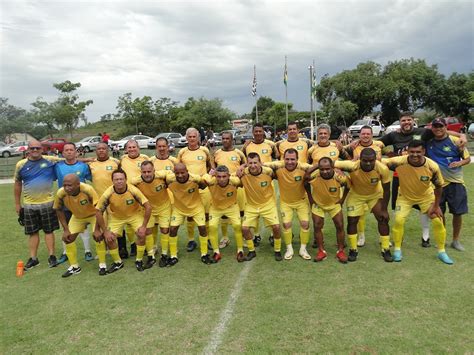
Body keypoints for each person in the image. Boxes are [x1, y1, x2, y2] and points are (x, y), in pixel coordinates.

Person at [380, 112, 467, 247]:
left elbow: (443, 130)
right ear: (399, 122)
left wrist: (462, 135)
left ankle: (425, 237)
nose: (406, 122)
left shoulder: (423, 132)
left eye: (409, 120)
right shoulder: (393, 135)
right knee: (399, 210)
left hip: (422, 175)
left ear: (413, 121)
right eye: (403, 120)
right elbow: (379, 143)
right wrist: (386, 152)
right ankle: (398, 238)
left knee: (424, 207)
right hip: (400, 177)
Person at [383, 140, 453, 264]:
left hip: (426, 197)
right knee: (398, 221)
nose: (415, 155)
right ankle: (397, 250)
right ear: (407, 152)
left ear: (424, 152)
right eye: (412, 152)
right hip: (404, 197)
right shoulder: (400, 161)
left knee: (437, 221)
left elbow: (439, 187)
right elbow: (377, 161)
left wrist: (436, 206)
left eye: (418, 152)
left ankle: (442, 252)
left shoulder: (432, 166)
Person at [335, 148, 392, 262]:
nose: (368, 163)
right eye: (364, 160)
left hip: (374, 195)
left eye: (371, 160)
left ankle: (385, 249)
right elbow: (328, 162)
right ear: (360, 159)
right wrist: (337, 169)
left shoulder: (382, 169)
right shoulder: (351, 165)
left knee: (383, 219)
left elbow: (386, 190)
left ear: (375, 159)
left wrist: (384, 209)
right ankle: (353, 249)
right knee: (352, 221)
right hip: (356, 195)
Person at [424, 118, 470, 251]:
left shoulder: (455, 141)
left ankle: (455, 240)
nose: (438, 129)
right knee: (439, 213)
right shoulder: (428, 142)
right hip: (437, 185)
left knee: (457, 213)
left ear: (445, 127)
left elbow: (466, 159)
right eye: (435, 126)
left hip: (456, 182)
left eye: (441, 126)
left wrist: (459, 163)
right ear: (432, 128)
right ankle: (442, 239)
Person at [14, 141, 61, 270]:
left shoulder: (50, 160)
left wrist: (91, 159)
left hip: (48, 203)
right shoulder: (21, 164)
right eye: (32, 148)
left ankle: (52, 256)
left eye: (37, 148)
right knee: (32, 232)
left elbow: (70, 158)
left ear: (42, 149)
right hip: (29, 205)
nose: (35, 150)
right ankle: (33, 258)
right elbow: (18, 184)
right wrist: (17, 203)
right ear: (28, 150)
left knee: (49, 231)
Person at [95, 169, 152, 272]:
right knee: (110, 238)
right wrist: (105, 231)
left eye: (121, 179)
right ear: (112, 181)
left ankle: (139, 260)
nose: (119, 181)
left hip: (134, 215)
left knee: (141, 233)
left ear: (126, 180)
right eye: (116, 179)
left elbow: (148, 206)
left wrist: (144, 226)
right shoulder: (108, 193)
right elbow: (98, 211)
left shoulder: (133, 190)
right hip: (116, 218)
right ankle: (118, 262)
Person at [265, 149, 312, 260]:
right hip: (286, 202)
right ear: (283, 159)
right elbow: (261, 164)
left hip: (301, 201)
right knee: (286, 225)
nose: (290, 162)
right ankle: (289, 248)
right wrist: (244, 166)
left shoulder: (304, 167)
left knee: (305, 224)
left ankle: (303, 249)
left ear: (297, 159)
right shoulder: (277, 166)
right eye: (287, 159)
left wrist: (337, 170)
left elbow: (319, 167)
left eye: (292, 159)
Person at [343, 125, 385, 247]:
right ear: (359, 135)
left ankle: (382, 237)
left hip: (375, 186)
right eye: (363, 134)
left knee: (381, 214)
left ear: (372, 135)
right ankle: (361, 236)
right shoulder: (353, 146)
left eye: (368, 134)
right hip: (358, 186)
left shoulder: (379, 145)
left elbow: (389, 152)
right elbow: (341, 152)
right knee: (360, 214)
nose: (365, 136)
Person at [53, 174, 102, 277]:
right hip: (77, 217)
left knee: (98, 236)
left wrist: (97, 229)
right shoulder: (61, 193)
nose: (67, 188)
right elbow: (58, 209)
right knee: (68, 238)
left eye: (70, 185)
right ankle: (75, 267)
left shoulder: (87, 189)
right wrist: (66, 230)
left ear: (78, 184)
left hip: (93, 215)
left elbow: (98, 209)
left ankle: (102, 265)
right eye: (65, 185)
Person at [166, 163, 213, 266]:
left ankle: (204, 254)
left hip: (196, 207)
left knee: (202, 228)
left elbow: (203, 186)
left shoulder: (195, 178)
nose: (180, 175)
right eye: (177, 173)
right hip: (179, 208)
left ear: (187, 171)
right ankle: (173, 255)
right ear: (174, 173)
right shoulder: (170, 179)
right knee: (173, 229)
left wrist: (204, 180)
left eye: (182, 173)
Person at [54, 143, 93, 264]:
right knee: (65, 226)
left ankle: (87, 251)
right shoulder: (57, 166)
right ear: (63, 153)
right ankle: (65, 252)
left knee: (83, 226)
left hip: (81, 201)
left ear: (76, 152)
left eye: (71, 150)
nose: (69, 152)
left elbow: (91, 179)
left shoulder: (83, 166)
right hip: (65, 201)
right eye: (67, 150)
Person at [238, 153, 282, 261]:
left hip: (268, 204)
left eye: (255, 163)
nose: (253, 166)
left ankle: (277, 250)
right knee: (244, 228)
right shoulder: (243, 173)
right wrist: (241, 167)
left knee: (276, 227)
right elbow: (230, 177)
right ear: (247, 164)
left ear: (260, 163)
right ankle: (252, 251)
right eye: (250, 163)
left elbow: (280, 169)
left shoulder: (268, 172)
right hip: (252, 206)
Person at [241, 123, 279, 246]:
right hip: (252, 181)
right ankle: (256, 235)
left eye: (260, 131)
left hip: (267, 180)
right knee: (254, 210)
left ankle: (273, 235)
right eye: (255, 131)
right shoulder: (247, 145)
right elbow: (241, 160)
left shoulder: (270, 144)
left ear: (263, 132)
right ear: (253, 132)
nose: (258, 133)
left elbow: (278, 158)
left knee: (270, 208)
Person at [177, 127, 214, 252]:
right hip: (188, 189)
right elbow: (178, 168)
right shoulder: (182, 152)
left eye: (194, 136)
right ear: (186, 138)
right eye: (190, 137)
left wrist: (206, 178)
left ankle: (207, 238)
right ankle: (191, 240)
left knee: (207, 214)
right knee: (190, 215)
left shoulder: (204, 150)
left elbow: (211, 166)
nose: (192, 139)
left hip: (203, 188)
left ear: (198, 138)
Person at [305, 157, 348, 263]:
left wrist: (342, 199)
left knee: (340, 225)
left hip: (334, 204)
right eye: (322, 169)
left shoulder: (339, 176)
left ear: (332, 167)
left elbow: (348, 185)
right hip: (318, 204)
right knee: (317, 225)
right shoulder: (316, 174)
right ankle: (321, 251)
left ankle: (341, 251)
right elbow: (305, 179)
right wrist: (310, 197)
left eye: (327, 168)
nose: (325, 171)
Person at [130, 161, 172, 268]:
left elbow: (171, 175)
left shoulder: (162, 175)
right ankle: (151, 256)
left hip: (164, 207)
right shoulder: (135, 181)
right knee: (148, 231)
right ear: (141, 172)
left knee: (165, 230)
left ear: (154, 170)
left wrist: (167, 182)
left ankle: (164, 254)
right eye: (144, 172)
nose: (147, 174)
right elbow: (128, 188)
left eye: (149, 171)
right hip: (148, 209)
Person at [203, 165, 245, 262]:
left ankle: (240, 250)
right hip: (215, 207)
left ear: (229, 176)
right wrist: (210, 174)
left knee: (237, 225)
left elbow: (243, 182)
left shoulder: (235, 181)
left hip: (232, 207)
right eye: (219, 176)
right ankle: (216, 252)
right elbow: (204, 177)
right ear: (215, 176)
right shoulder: (211, 181)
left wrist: (241, 171)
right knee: (212, 226)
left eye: (224, 176)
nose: (221, 179)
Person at [213, 131, 247, 248]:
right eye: (223, 138)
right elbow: (213, 168)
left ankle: (242, 236)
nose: (225, 140)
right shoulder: (217, 153)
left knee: (241, 212)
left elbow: (246, 164)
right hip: (222, 187)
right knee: (223, 213)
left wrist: (242, 166)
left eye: (228, 138)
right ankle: (225, 237)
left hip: (236, 185)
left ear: (232, 140)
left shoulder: (238, 153)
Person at [117, 140, 149, 258]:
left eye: (134, 147)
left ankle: (144, 245)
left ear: (138, 147)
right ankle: (133, 245)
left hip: (142, 194)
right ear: (126, 149)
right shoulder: (123, 159)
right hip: (127, 194)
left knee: (141, 221)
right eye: (129, 147)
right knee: (129, 222)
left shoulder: (144, 158)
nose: (132, 149)